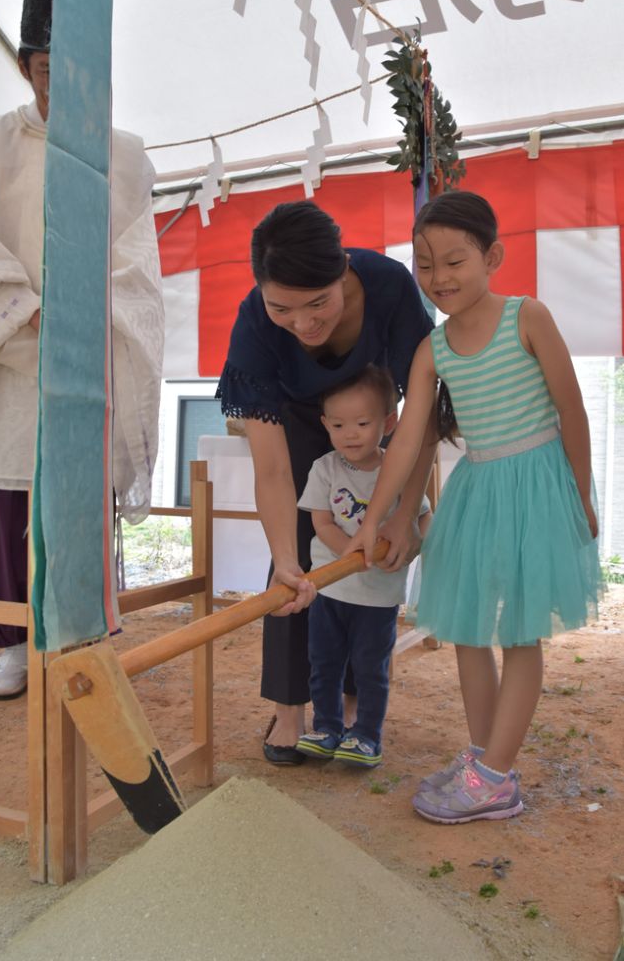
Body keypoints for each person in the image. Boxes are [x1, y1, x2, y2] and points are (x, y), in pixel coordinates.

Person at [347, 190, 601, 821]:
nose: (439, 278)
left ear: (493, 256)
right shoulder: (431, 349)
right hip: (478, 489)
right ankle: (487, 758)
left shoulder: (527, 317)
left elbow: (572, 410)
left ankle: (494, 779)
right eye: (426, 264)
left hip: (537, 485)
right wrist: (375, 518)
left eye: (455, 261)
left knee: (519, 634)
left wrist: (581, 492)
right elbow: (408, 439)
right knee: (465, 628)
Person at [0, 0, 165, 699]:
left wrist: (86, 309)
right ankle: (13, 644)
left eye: (77, 70)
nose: (62, 85)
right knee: (11, 496)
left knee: (83, 495)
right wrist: (25, 305)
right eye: (48, 69)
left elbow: (139, 253)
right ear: (24, 66)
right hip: (15, 350)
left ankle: (86, 640)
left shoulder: (128, 152)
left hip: (89, 350)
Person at [217, 200, 436, 763]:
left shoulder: (388, 285)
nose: (304, 322)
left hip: (376, 419)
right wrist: (287, 558)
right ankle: (290, 709)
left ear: (343, 270)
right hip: (297, 419)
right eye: (282, 308)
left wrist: (403, 514)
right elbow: (271, 468)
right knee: (292, 567)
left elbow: (423, 413)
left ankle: (353, 704)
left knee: (372, 541)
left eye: (319, 303)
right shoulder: (254, 322)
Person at [295, 365, 431, 767]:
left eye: (361, 422)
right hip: (330, 589)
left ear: (389, 423)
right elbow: (321, 522)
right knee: (324, 663)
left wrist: (408, 549)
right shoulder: (325, 468)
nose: (349, 433)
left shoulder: (399, 469)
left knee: (371, 669)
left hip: (379, 598)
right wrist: (353, 557)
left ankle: (367, 735)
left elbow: (420, 518)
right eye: (338, 424)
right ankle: (326, 728)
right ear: (325, 424)